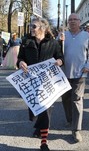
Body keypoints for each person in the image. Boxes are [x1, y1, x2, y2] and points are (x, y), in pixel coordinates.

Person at [17, 17, 64, 151]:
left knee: (45, 109)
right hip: (31, 81)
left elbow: (60, 57)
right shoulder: (26, 42)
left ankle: (44, 142)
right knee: (34, 110)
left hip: (47, 81)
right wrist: (20, 62)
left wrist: (59, 62)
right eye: (31, 26)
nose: (31, 28)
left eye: (34, 26)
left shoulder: (53, 43)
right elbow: (20, 57)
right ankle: (39, 126)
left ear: (42, 28)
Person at [61, 13, 89, 143]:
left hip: (80, 73)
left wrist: (88, 65)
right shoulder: (63, 36)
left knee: (76, 99)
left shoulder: (86, 36)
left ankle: (76, 130)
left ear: (80, 21)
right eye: (70, 20)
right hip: (64, 73)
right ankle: (70, 119)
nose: (72, 21)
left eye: (75, 19)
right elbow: (56, 52)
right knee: (65, 98)